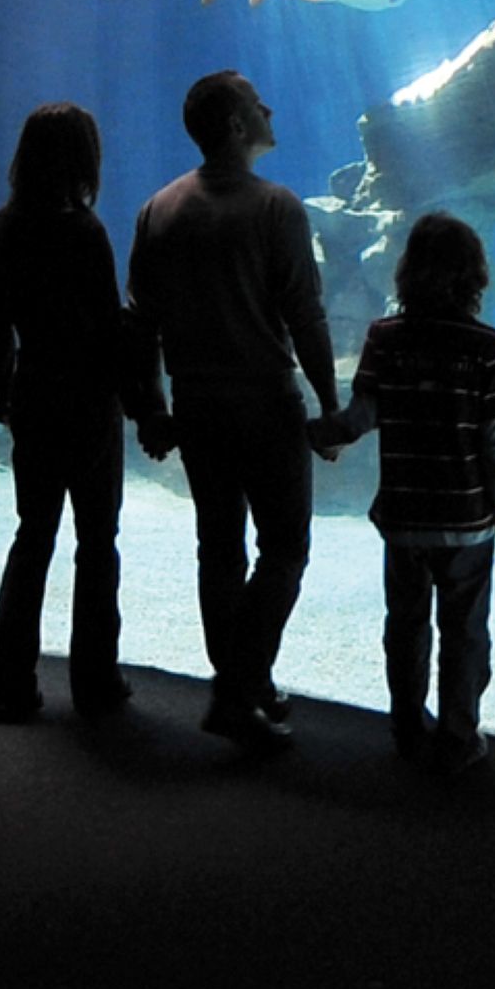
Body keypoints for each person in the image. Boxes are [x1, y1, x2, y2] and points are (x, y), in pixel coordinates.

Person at [126, 69, 339, 753]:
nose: (269, 106)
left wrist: (149, 411)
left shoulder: (158, 208)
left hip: (196, 408)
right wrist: (331, 406)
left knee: (217, 550)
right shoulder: (278, 207)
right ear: (238, 125)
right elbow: (304, 317)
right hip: (266, 406)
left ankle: (247, 682)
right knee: (284, 549)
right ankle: (236, 689)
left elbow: (139, 325)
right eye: (256, 102)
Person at [312, 212, 495, 775]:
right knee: (465, 631)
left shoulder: (385, 338)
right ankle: (457, 738)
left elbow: (361, 416)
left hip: (404, 515)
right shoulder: (489, 348)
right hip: (466, 518)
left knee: (404, 625)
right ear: (474, 275)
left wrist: (324, 433)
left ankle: (407, 727)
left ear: (406, 271)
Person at [0, 103, 163, 723]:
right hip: (86, 401)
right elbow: (108, 329)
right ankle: (94, 679)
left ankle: (7, 682)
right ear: (83, 160)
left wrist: (7, 391)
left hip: (34, 392)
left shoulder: (4, 225)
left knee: (33, 536)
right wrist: (140, 404)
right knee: (96, 541)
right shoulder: (85, 232)